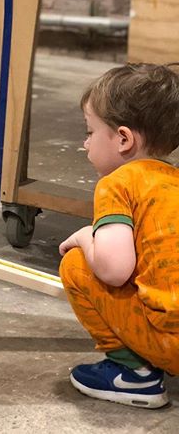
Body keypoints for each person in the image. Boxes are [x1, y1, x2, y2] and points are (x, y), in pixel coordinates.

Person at [59, 63, 179, 409]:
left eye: (91, 132)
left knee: (77, 265)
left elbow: (114, 270)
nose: (85, 143)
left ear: (123, 139)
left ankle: (134, 375)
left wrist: (85, 237)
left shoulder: (119, 183)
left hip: (170, 340)